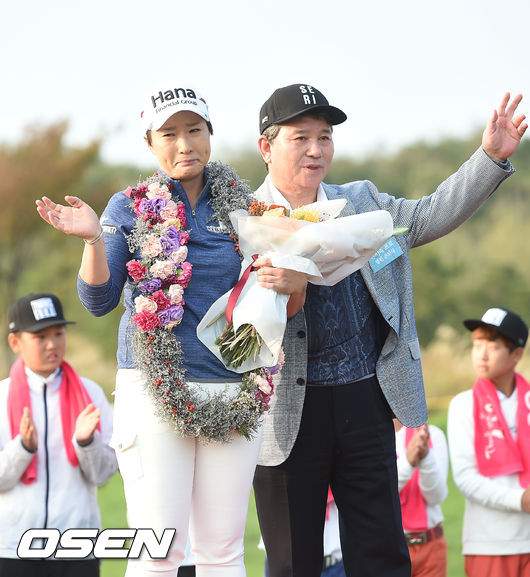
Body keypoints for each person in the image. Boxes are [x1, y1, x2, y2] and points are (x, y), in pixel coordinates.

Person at [251, 83, 527, 577]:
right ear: (266, 147)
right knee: (293, 563)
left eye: (325, 136)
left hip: (365, 401)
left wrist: (489, 157)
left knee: (381, 557)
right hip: (284, 410)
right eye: (301, 137)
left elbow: (428, 215)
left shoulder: (361, 202)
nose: (316, 149)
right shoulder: (242, 220)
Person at [36, 85, 304, 577]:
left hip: (234, 389)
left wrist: (292, 271)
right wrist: (93, 240)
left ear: (210, 134)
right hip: (154, 389)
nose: (185, 145)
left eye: (195, 130)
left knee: (222, 551)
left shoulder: (247, 209)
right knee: (159, 551)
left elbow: (277, 302)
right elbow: (98, 300)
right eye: (170, 134)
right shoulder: (129, 207)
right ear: (150, 143)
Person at [0, 292, 117, 577]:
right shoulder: (2, 398)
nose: (52, 344)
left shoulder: (90, 394)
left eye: (58, 333)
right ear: (15, 342)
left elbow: (103, 474)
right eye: (40, 337)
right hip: (13, 548)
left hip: (76, 548)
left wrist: (86, 443)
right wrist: (22, 448)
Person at [448, 307, 530, 577]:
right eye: (477, 344)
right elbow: (465, 478)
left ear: (516, 354)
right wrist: (520, 499)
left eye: (493, 346)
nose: (481, 354)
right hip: (490, 544)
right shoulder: (463, 405)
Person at [395, 422, 449, 577]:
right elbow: (377, 493)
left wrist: (426, 457)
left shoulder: (432, 434)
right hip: (389, 549)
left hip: (430, 547)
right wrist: (408, 463)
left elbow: (436, 497)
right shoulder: (372, 437)